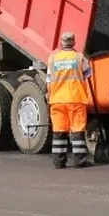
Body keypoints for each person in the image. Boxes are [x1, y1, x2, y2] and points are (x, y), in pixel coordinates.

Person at [46, 31, 95, 169]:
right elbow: (88, 73)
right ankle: (79, 161)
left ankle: (59, 162)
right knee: (77, 131)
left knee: (59, 131)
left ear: (61, 43)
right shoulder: (79, 58)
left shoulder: (53, 59)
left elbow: (49, 80)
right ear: (73, 43)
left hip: (57, 100)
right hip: (75, 99)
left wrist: (49, 96)